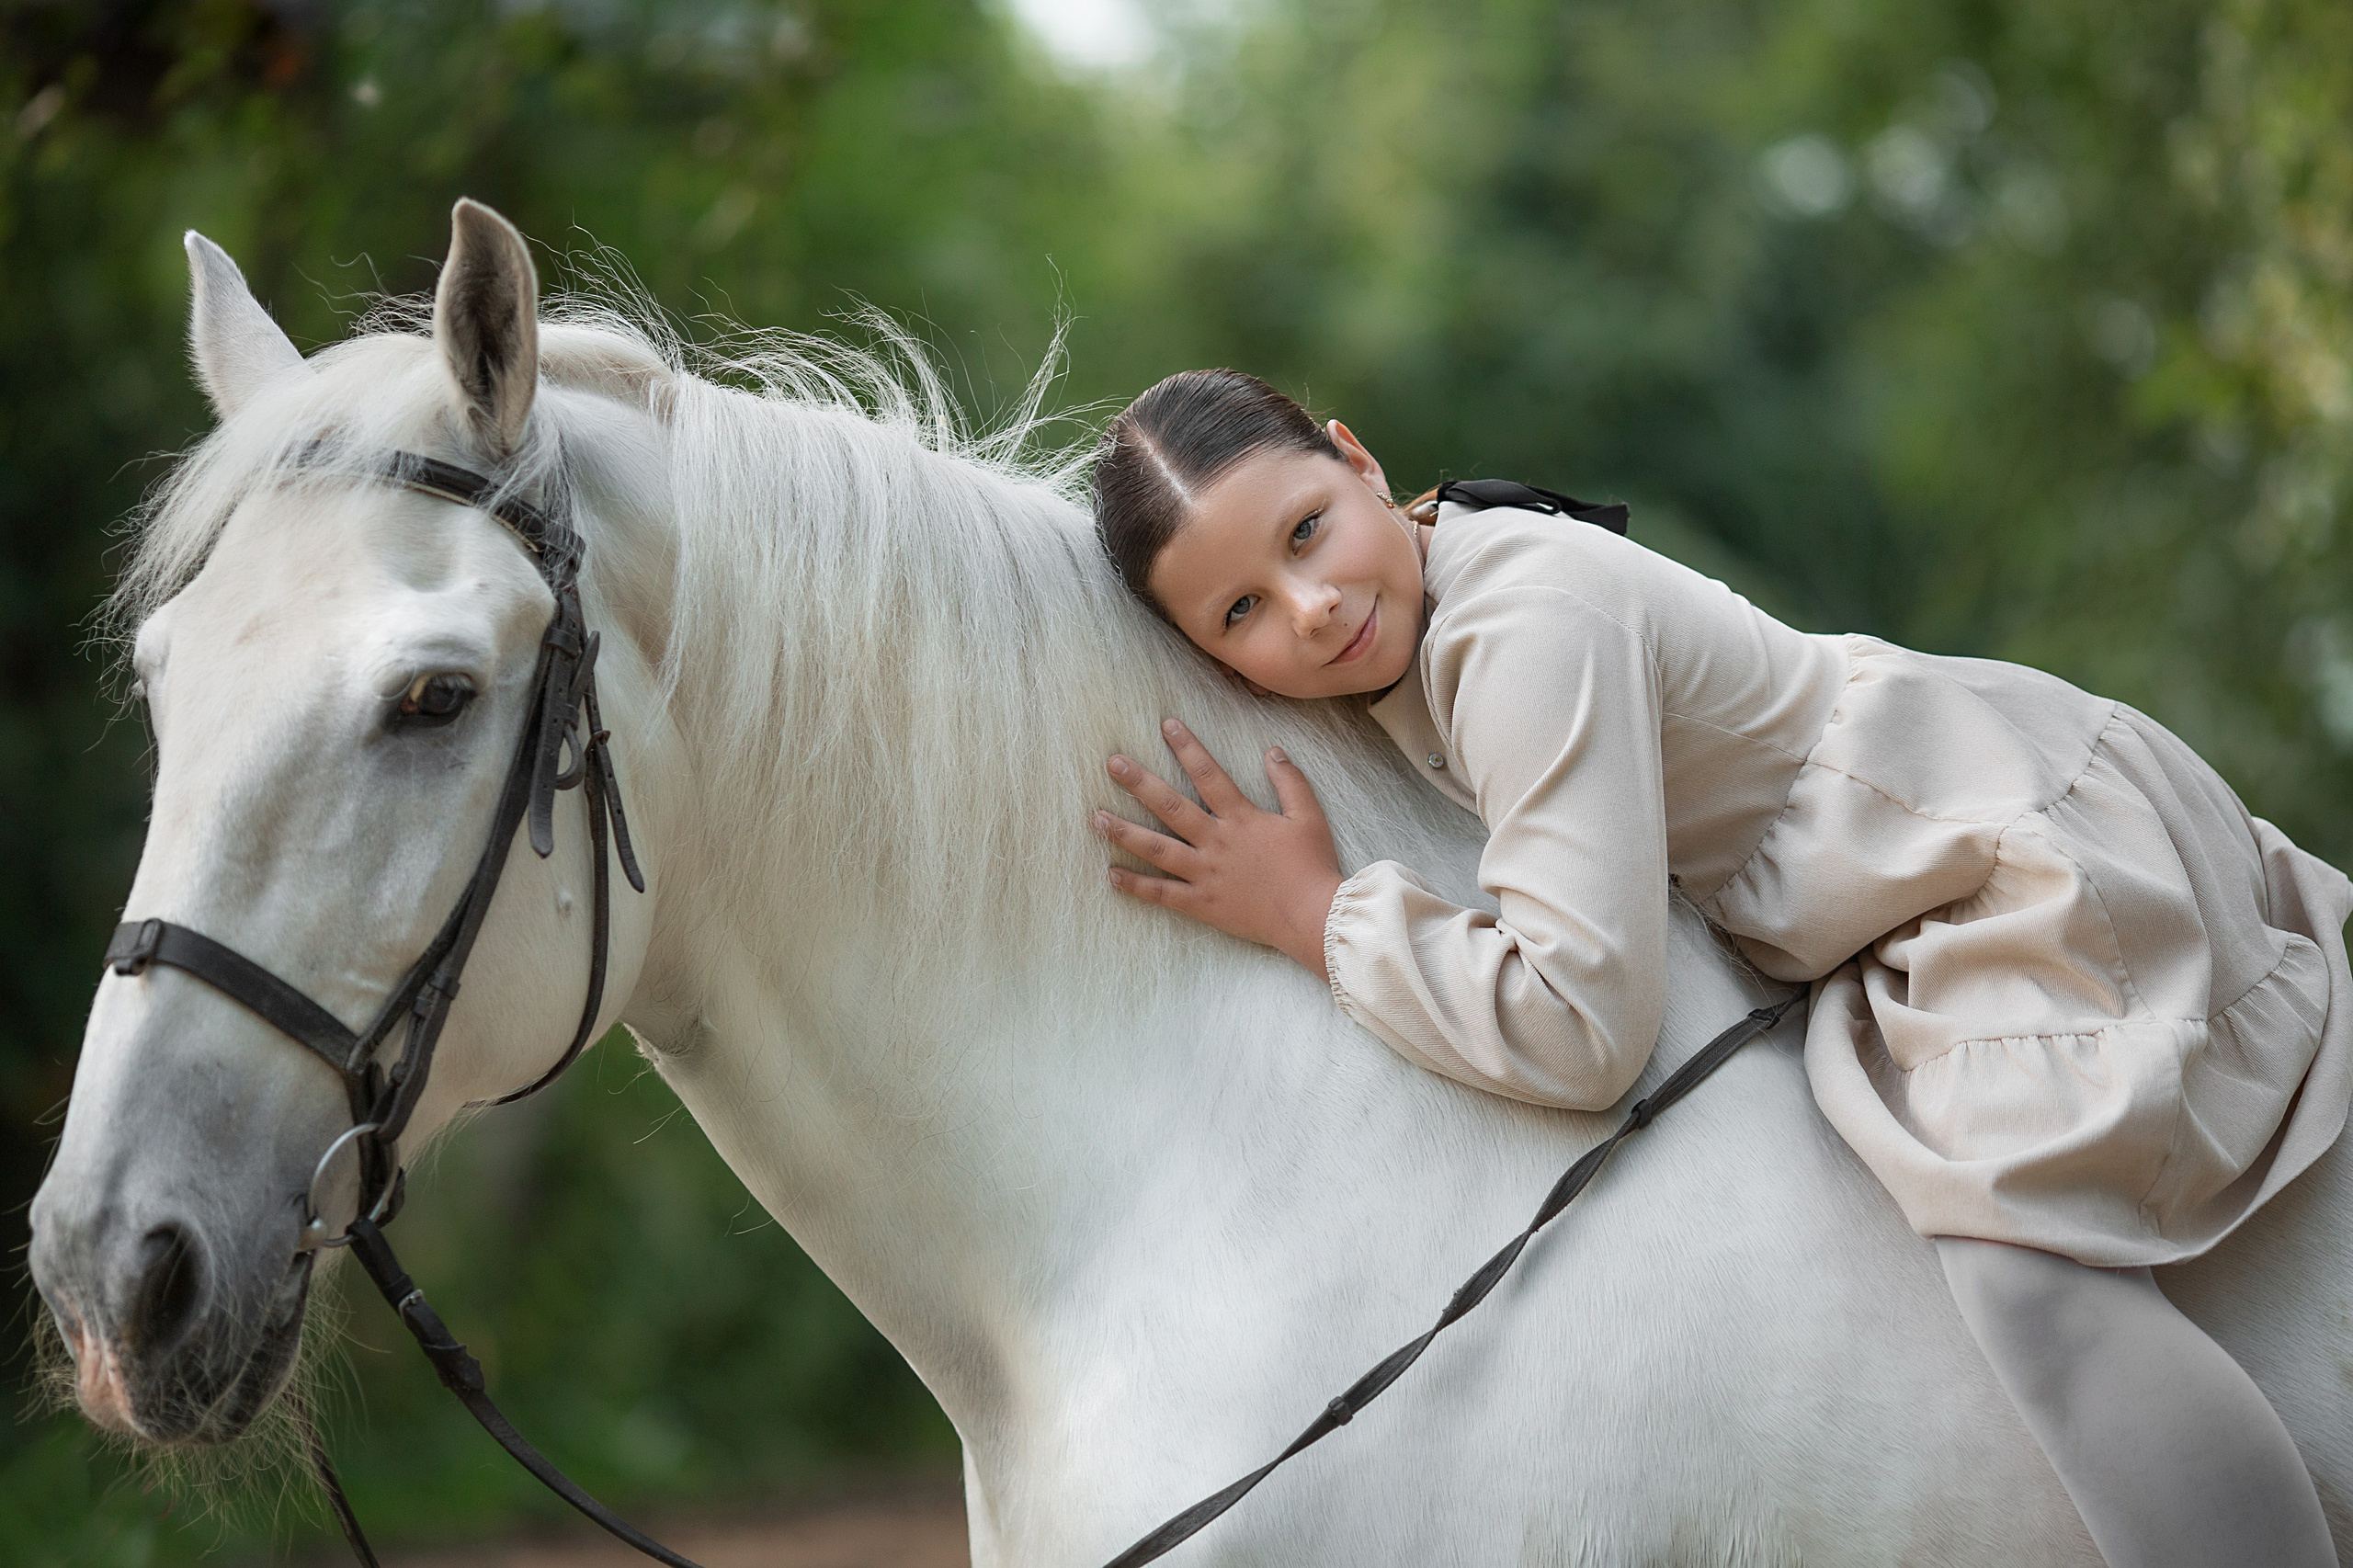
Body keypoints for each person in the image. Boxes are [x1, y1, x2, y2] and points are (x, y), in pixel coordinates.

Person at [1086, 367, 2353, 1568]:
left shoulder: (1521, 620)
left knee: (2030, 1278)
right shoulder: (1416, 610)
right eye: (1241, 610)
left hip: (1975, 847)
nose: (1307, 606)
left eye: (1306, 530)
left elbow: (1584, 1027)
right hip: (1883, 879)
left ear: (1358, 461)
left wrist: (1320, 916)